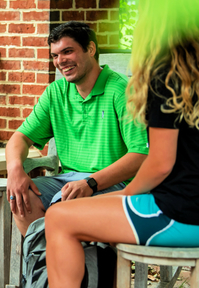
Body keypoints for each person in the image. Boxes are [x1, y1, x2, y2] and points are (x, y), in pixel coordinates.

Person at [45, 0, 199, 286]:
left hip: (180, 211)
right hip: (185, 203)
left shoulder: (167, 74)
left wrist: (128, 193)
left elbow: (160, 163)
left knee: (58, 217)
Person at [5, 21, 149, 236]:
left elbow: (141, 155)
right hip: (68, 181)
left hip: (117, 185)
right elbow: (20, 138)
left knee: (63, 206)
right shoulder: (56, 92)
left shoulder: (122, 91)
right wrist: (15, 169)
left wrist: (91, 182)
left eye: (67, 52)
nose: (60, 61)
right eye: (55, 55)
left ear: (90, 49)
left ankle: (67, 267)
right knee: (23, 197)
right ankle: (48, 267)